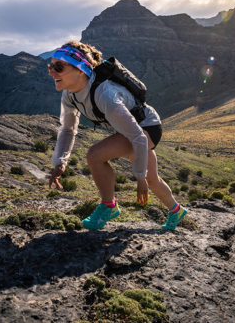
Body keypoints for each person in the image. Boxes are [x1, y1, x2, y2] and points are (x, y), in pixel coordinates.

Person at [47, 41, 187, 230]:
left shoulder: (105, 95)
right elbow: (67, 129)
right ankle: (176, 211)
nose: (51, 72)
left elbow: (139, 137)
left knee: (95, 155)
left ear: (81, 69)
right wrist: (60, 162)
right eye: (50, 66)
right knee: (153, 179)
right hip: (129, 130)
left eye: (58, 67)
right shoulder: (69, 95)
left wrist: (139, 178)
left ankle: (109, 206)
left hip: (146, 127)